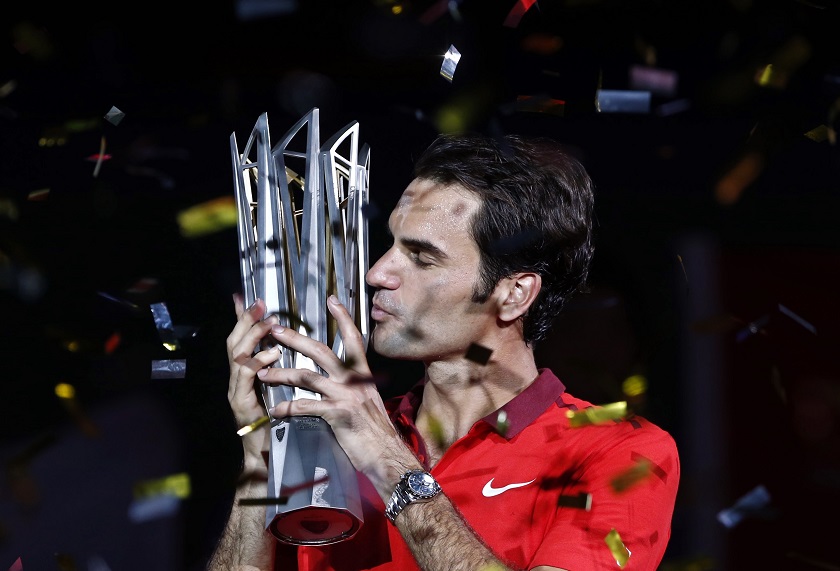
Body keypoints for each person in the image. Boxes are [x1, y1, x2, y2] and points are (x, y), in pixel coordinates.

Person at [207, 132, 680, 571]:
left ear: (513, 293)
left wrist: (390, 463)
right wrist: (261, 460)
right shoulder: (331, 440)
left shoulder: (622, 452)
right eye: (390, 244)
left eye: (421, 257)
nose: (377, 273)